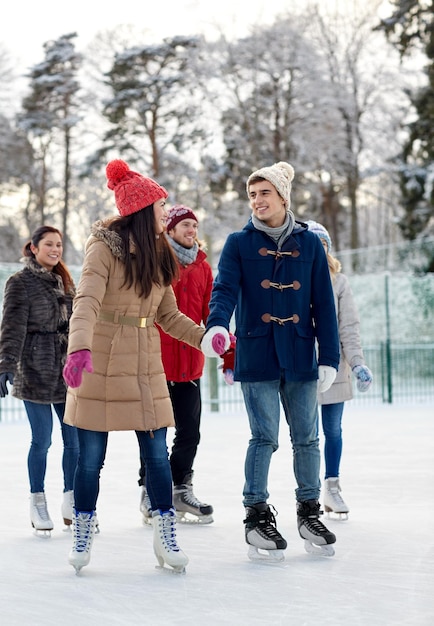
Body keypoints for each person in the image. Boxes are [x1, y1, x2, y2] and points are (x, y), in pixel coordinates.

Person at [62, 159, 216, 575]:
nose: (167, 211)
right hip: (101, 360)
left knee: (157, 456)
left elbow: (169, 315)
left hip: (147, 365)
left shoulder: (159, 252)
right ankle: (84, 524)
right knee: (90, 458)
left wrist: (205, 337)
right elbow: (87, 302)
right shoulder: (103, 248)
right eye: (161, 205)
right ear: (142, 209)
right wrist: (78, 349)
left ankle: (165, 530)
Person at [201, 161, 340, 561]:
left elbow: (323, 307)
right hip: (257, 351)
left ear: (283, 197)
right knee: (264, 437)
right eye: (252, 194)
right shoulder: (238, 243)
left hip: (299, 352)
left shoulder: (309, 244)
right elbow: (224, 290)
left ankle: (309, 511)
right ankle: (256, 515)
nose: (257, 201)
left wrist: (328, 357)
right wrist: (216, 326)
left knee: (308, 438)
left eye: (264, 193)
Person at [0, 225, 78, 536]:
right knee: (42, 439)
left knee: (74, 441)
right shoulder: (20, 282)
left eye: (58, 244)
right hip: (34, 367)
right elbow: (12, 327)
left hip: (66, 370)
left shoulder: (65, 281)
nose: (55, 249)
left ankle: (71, 501)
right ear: (33, 248)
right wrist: (5, 365)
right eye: (48, 244)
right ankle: (37, 500)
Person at [138, 204, 214, 524]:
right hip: (157, 360)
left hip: (190, 363)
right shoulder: (154, 261)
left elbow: (210, 311)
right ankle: (149, 490)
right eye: (184, 226)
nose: (191, 231)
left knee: (189, 432)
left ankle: (180, 488)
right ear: (169, 230)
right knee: (154, 432)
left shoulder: (203, 267)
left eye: (194, 226)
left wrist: (221, 345)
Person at [307, 220, 373, 519]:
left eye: (323, 244)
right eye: (313, 244)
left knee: (332, 429)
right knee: (307, 434)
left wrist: (358, 362)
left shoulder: (339, 282)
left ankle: (332, 487)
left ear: (328, 248)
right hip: (303, 367)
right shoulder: (295, 280)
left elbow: (349, 326)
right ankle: (307, 492)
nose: (318, 250)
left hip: (334, 365)